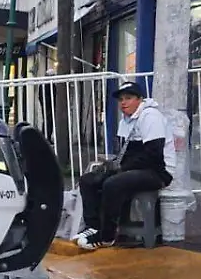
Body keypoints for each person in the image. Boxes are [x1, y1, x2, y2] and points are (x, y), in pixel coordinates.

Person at [74, 80, 175, 250]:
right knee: (88, 180)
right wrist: (111, 165)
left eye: (128, 98)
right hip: (134, 168)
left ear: (140, 99)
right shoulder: (125, 122)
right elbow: (125, 154)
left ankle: (107, 236)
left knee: (113, 184)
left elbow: (153, 155)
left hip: (158, 170)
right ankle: (93, 227)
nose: (123, 103)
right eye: (121, 99)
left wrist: (121, 169)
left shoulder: (150, 117)